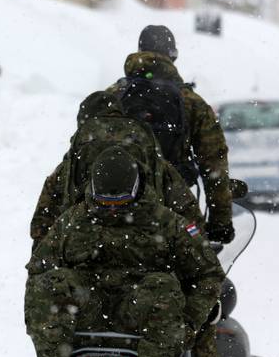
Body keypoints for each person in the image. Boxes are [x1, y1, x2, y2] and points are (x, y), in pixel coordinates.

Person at [24, 147, 226, 357]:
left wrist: (189, 323)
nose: (112, 209)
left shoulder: (167, 224)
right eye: (104, 201)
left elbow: (208, 274)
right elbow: (39, 268)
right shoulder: (72, 221)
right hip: (91, 307)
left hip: (142, 310)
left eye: (120, 201)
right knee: (48, 284)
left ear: (137, 188)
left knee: (162, 285)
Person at [107, 25, 234, 244]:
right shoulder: (191, 102)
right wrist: (220, 222)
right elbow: (214, 166)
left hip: (115, 209)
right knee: (200, 271)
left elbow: (85, 151)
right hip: (175, 210)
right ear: (173, 55)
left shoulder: (112, 96)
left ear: (139, 51)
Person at [29, 90, 204, 249]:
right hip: (146, 247)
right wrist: (198, 242)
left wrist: (42, 257)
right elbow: (185, 207)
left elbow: (45, 215)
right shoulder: (143, 140)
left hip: (86, 247)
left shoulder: (80, 147)